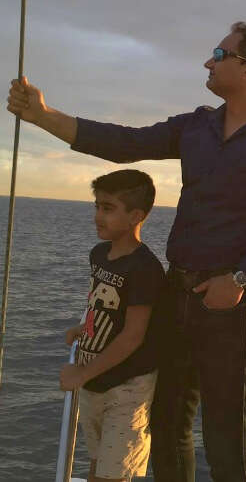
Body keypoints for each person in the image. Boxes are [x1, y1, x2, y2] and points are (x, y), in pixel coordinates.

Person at [7, 21, 246, 481]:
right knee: (167, 426)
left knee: (225, 439)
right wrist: (44, 116)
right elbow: (126, 143)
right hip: (178, 294)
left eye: (219, 53)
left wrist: (239, 280)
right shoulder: (197, 126)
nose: (208, 62)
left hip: (233, 306)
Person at [61, 169, 166, 482]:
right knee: (98, 466)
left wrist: (81, 373)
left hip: (126, 388)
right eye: (97, 206)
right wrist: (84, 329)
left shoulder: (145, 268)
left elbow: (133, 337)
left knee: (113, 475)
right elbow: (102, 302)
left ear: (136, 216)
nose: (97, 216)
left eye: (107, 208)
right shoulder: (99, 255)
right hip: (95, 381)